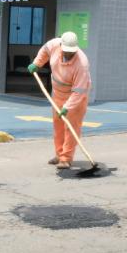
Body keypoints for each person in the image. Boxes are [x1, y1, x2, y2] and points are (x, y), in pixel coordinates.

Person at [28, 31, 91, 170]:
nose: (68, 54)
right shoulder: (54, 45)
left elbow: (79, 92)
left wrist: (67, 107)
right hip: (57, 94)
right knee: (58, 126)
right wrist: (37, 63)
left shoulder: (82, 64)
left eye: (71, 52)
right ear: (61, 44)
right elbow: (44, 50)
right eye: (66, 51)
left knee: (71, 127)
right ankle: (59, 154)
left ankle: (66, 158)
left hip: (75, 98)